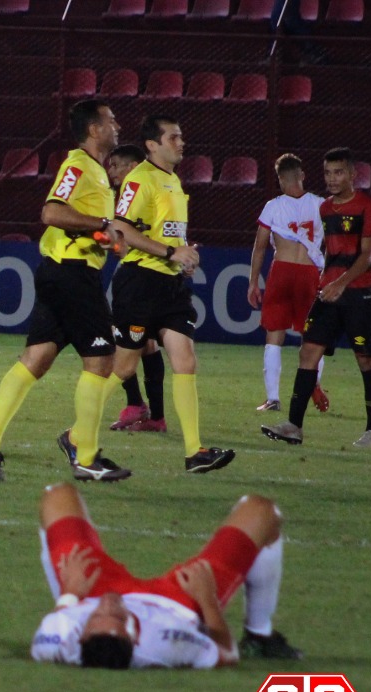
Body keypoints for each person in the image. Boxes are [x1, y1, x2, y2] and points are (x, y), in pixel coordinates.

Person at [0, 99, 130, 483]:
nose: (117, 126)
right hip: (72, 274)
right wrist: (100, 223)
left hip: (65, 270)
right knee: (102, 360)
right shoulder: (77, 165)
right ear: (94, 129)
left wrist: (101, 234)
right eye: (110, 121)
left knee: (37, 358)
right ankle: (85, 454)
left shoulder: (97, 173)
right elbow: (51, 212)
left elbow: (80, 223)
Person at [30, 483, 302, 669]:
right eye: (116, 617)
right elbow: (226, 655)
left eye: (95, 619)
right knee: (263, 511)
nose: (108, 608)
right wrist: (208, 601)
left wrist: (70, 595)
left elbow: (62, 622)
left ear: (81, 636)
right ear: (136, 638)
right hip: (178, 602)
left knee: (56, 495)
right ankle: (260, 634)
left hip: (92, 592)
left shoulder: (58, 639)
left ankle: (76, 594)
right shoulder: (167, 643)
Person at [109, 114, 235, 473]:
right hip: (141, 282)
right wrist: (169, 253)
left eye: (181, 136)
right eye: (174, 137)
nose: (182, 143)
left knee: (186, 360)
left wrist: (184, 254)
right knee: (124, 366)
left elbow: (169, 235)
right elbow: (121, 230)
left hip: (171, 284)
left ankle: (194, 452)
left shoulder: (173, 182)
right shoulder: (139, 179)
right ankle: (77, 434)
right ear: (153, 144)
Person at [263, 147, 371, 448]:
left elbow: (368, 256)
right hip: (329, 293)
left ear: (353, 175)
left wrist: (341, 282)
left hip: (358, 294)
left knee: (365, 359)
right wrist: (325, 279)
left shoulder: (367, 206)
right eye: (328, 173)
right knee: (308, 353)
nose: (331, 178)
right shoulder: (325, 209)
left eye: (338, 172)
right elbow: (330, 250)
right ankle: (294, 426)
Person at [247, 154, 329, 414]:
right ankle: (312, 385)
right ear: (302, 175)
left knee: (275, 333)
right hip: (309, 272)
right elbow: (335, 244)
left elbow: (260, 247)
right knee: (313, 334)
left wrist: (253, 282)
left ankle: (272, 399)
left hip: (281, 271)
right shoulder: (321, 205)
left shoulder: (273, 206)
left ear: (280, 179)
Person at [105, 144, 168, 433]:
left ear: (132, 167)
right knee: (149, 344)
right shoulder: (156, 185)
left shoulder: (135, 192)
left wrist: (114, 241)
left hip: (139, 276)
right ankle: (155, 416)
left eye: (117, 165)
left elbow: (126, 238)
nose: (112, 171)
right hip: (156, 275)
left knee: (123, 344)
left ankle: (135, 405)